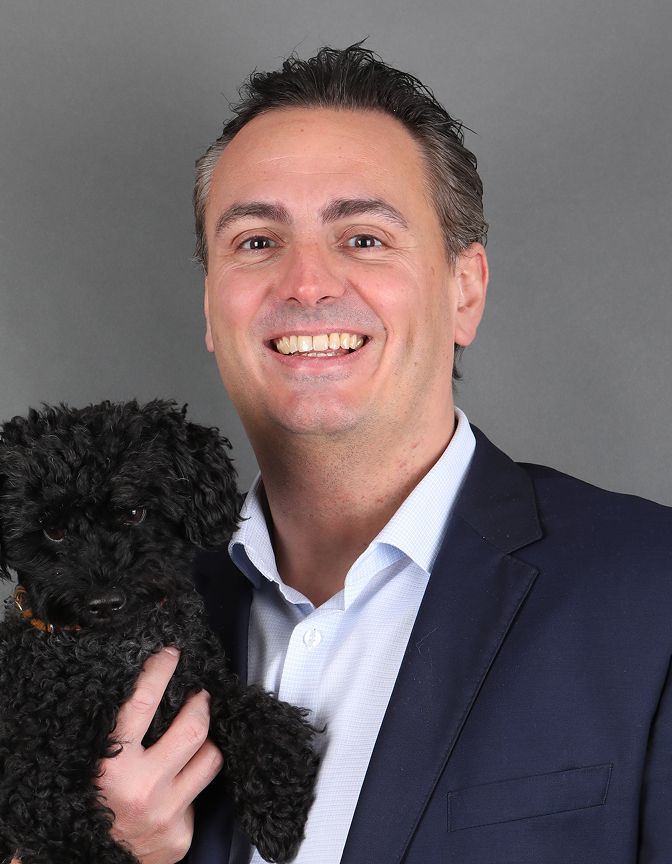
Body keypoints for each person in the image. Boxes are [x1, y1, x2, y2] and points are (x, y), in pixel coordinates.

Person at [96, 45, 672, 863]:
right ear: (210, 306)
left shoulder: (652, 594)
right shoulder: (113, 612)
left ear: (465, 289)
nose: (306, 283)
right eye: (256, 242)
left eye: (363, 238)